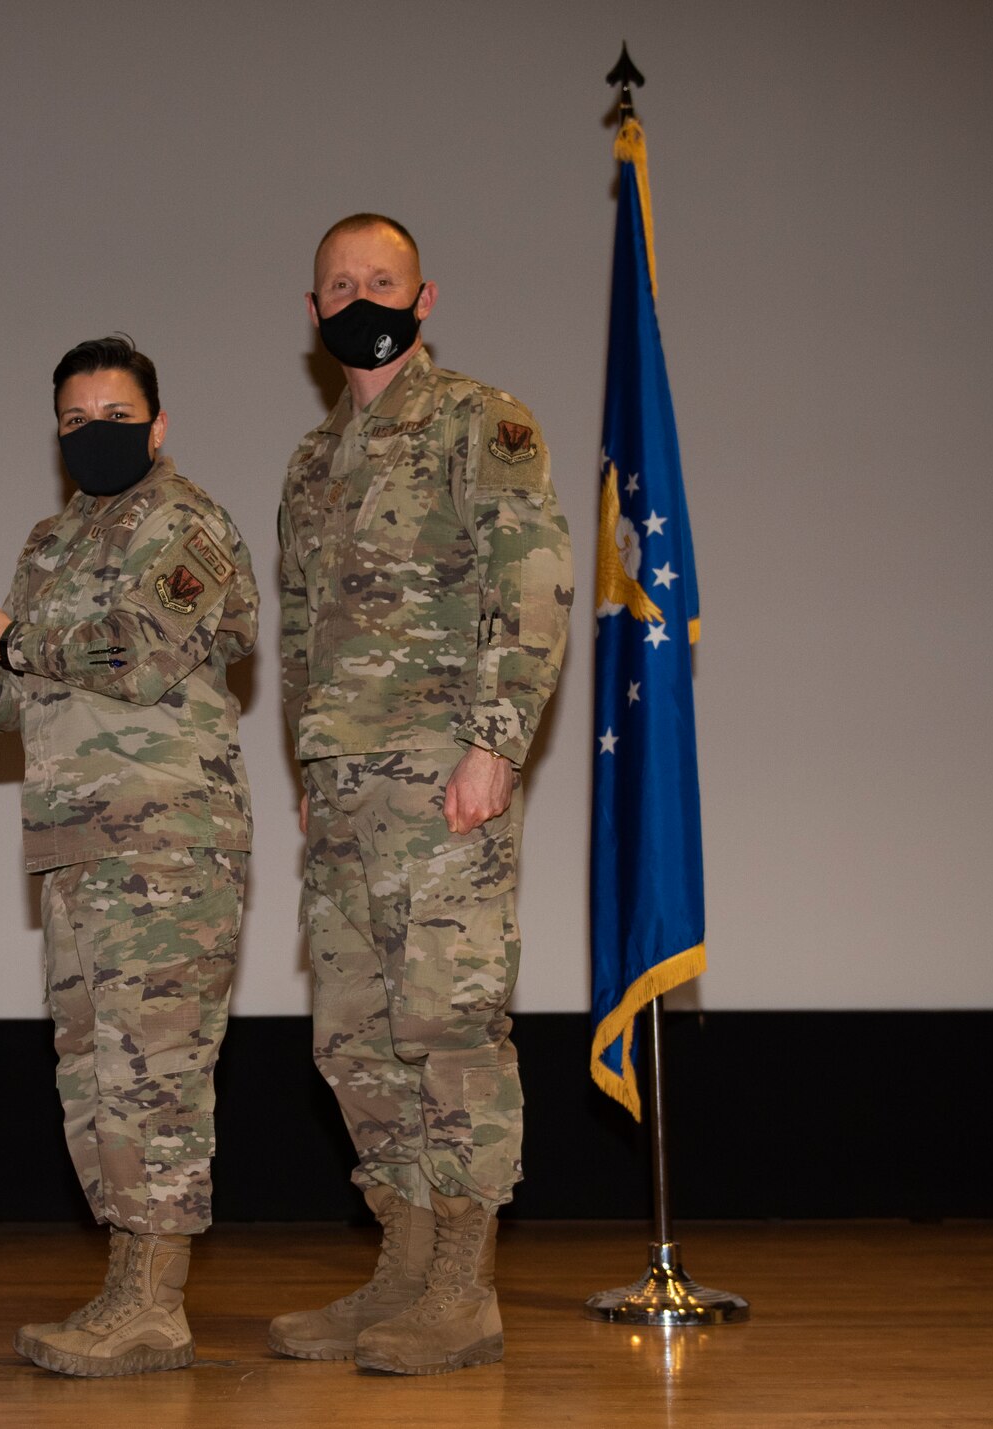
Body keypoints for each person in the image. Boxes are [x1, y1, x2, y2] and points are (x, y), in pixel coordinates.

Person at [0, 336, 256, 1378]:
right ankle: (126, 1285)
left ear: (155, 426)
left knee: (152, 1070)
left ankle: (156, 1302)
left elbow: (139, 649)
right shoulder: (51, 540)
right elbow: (31, 694)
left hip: (164, 843)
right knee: (94, 1072)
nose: (93, 433)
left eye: (115, 416)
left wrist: (9, 638)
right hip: (72, 845)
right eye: (73, 421)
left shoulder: (185, 523)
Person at [269, 216, 572, 1374]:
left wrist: (495, 743)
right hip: (344, 789)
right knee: (353, 1037)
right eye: (338, 284)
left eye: (380, 280)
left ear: (424, 294)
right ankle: (397, 1263)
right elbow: (300, 632)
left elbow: (528, 580)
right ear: (311, 311)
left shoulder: (477, 422)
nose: (359, 297)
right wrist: (308, 765)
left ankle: (462, 1285)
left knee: (449, 1025)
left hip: (443, 773)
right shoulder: (309, 462)